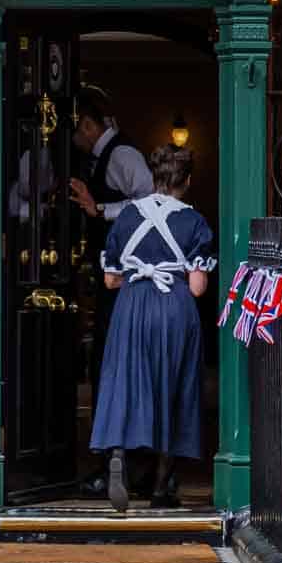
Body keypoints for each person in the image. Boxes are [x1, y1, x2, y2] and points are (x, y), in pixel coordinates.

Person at [90, 143, 216, 511]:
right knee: (172, 388)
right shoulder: (194, 221)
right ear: (187, 181)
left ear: (154, 177)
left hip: (132, 304)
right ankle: (161, 487)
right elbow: (197, 287)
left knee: (124, 381)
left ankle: (118, 454)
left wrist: (138, 272)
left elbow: (111, 279)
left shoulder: (128, 216)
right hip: (173, 307)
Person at [69, 85, 153, 496]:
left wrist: (98, 209)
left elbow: (148, 202)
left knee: (117, 358)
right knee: (106, 357)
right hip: (110, 273)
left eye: (74, 129)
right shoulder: (101, 157)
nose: (73, 139)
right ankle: (111, 456)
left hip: (124, 278)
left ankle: (126, 460)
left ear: (87, 124)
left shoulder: (122, 156)